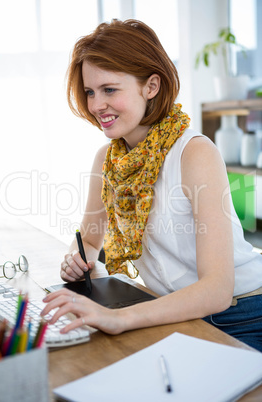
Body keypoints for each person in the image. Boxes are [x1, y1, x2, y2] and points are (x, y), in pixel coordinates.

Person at [41, 19, 262, 352]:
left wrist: (119, 318)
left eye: (109, 89)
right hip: (172, 310)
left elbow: (216, 290)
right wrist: (78, 259)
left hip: (240, 315)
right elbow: (88, 239)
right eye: (90, 91)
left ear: (151, 86)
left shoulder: (194, 152)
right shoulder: (107, 160)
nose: (96, 104)